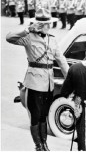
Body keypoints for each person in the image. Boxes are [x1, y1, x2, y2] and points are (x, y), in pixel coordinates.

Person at [6, 8, 69, 151]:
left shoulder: (52, 39)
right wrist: (27, 29)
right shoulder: (28, 37)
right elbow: (9, 37)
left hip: (49, 83)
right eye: (45, 24)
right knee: (35, 115)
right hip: (34, 82)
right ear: (38, 25)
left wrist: (69, 78)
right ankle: (38, 145)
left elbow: (61, 59)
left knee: (44, 115)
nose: (48, 26)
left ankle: (44, 143)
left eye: (49, 23)